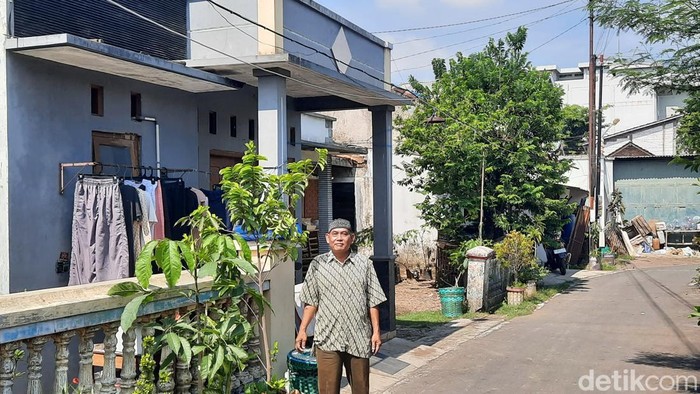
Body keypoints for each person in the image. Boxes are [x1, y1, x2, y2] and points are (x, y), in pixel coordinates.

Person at [296, 218, 387, 394]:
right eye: (335, 234)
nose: (339, 238)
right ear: (327, 238)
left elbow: (373, 301)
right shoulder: (318, 264)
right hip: (328, 338)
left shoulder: (364, 264)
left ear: (351, 238)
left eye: (344, 234)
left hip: (359, 337)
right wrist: (302, 330)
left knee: (361, 389)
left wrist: (376, 332)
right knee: (328, 390)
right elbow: (311, 302)